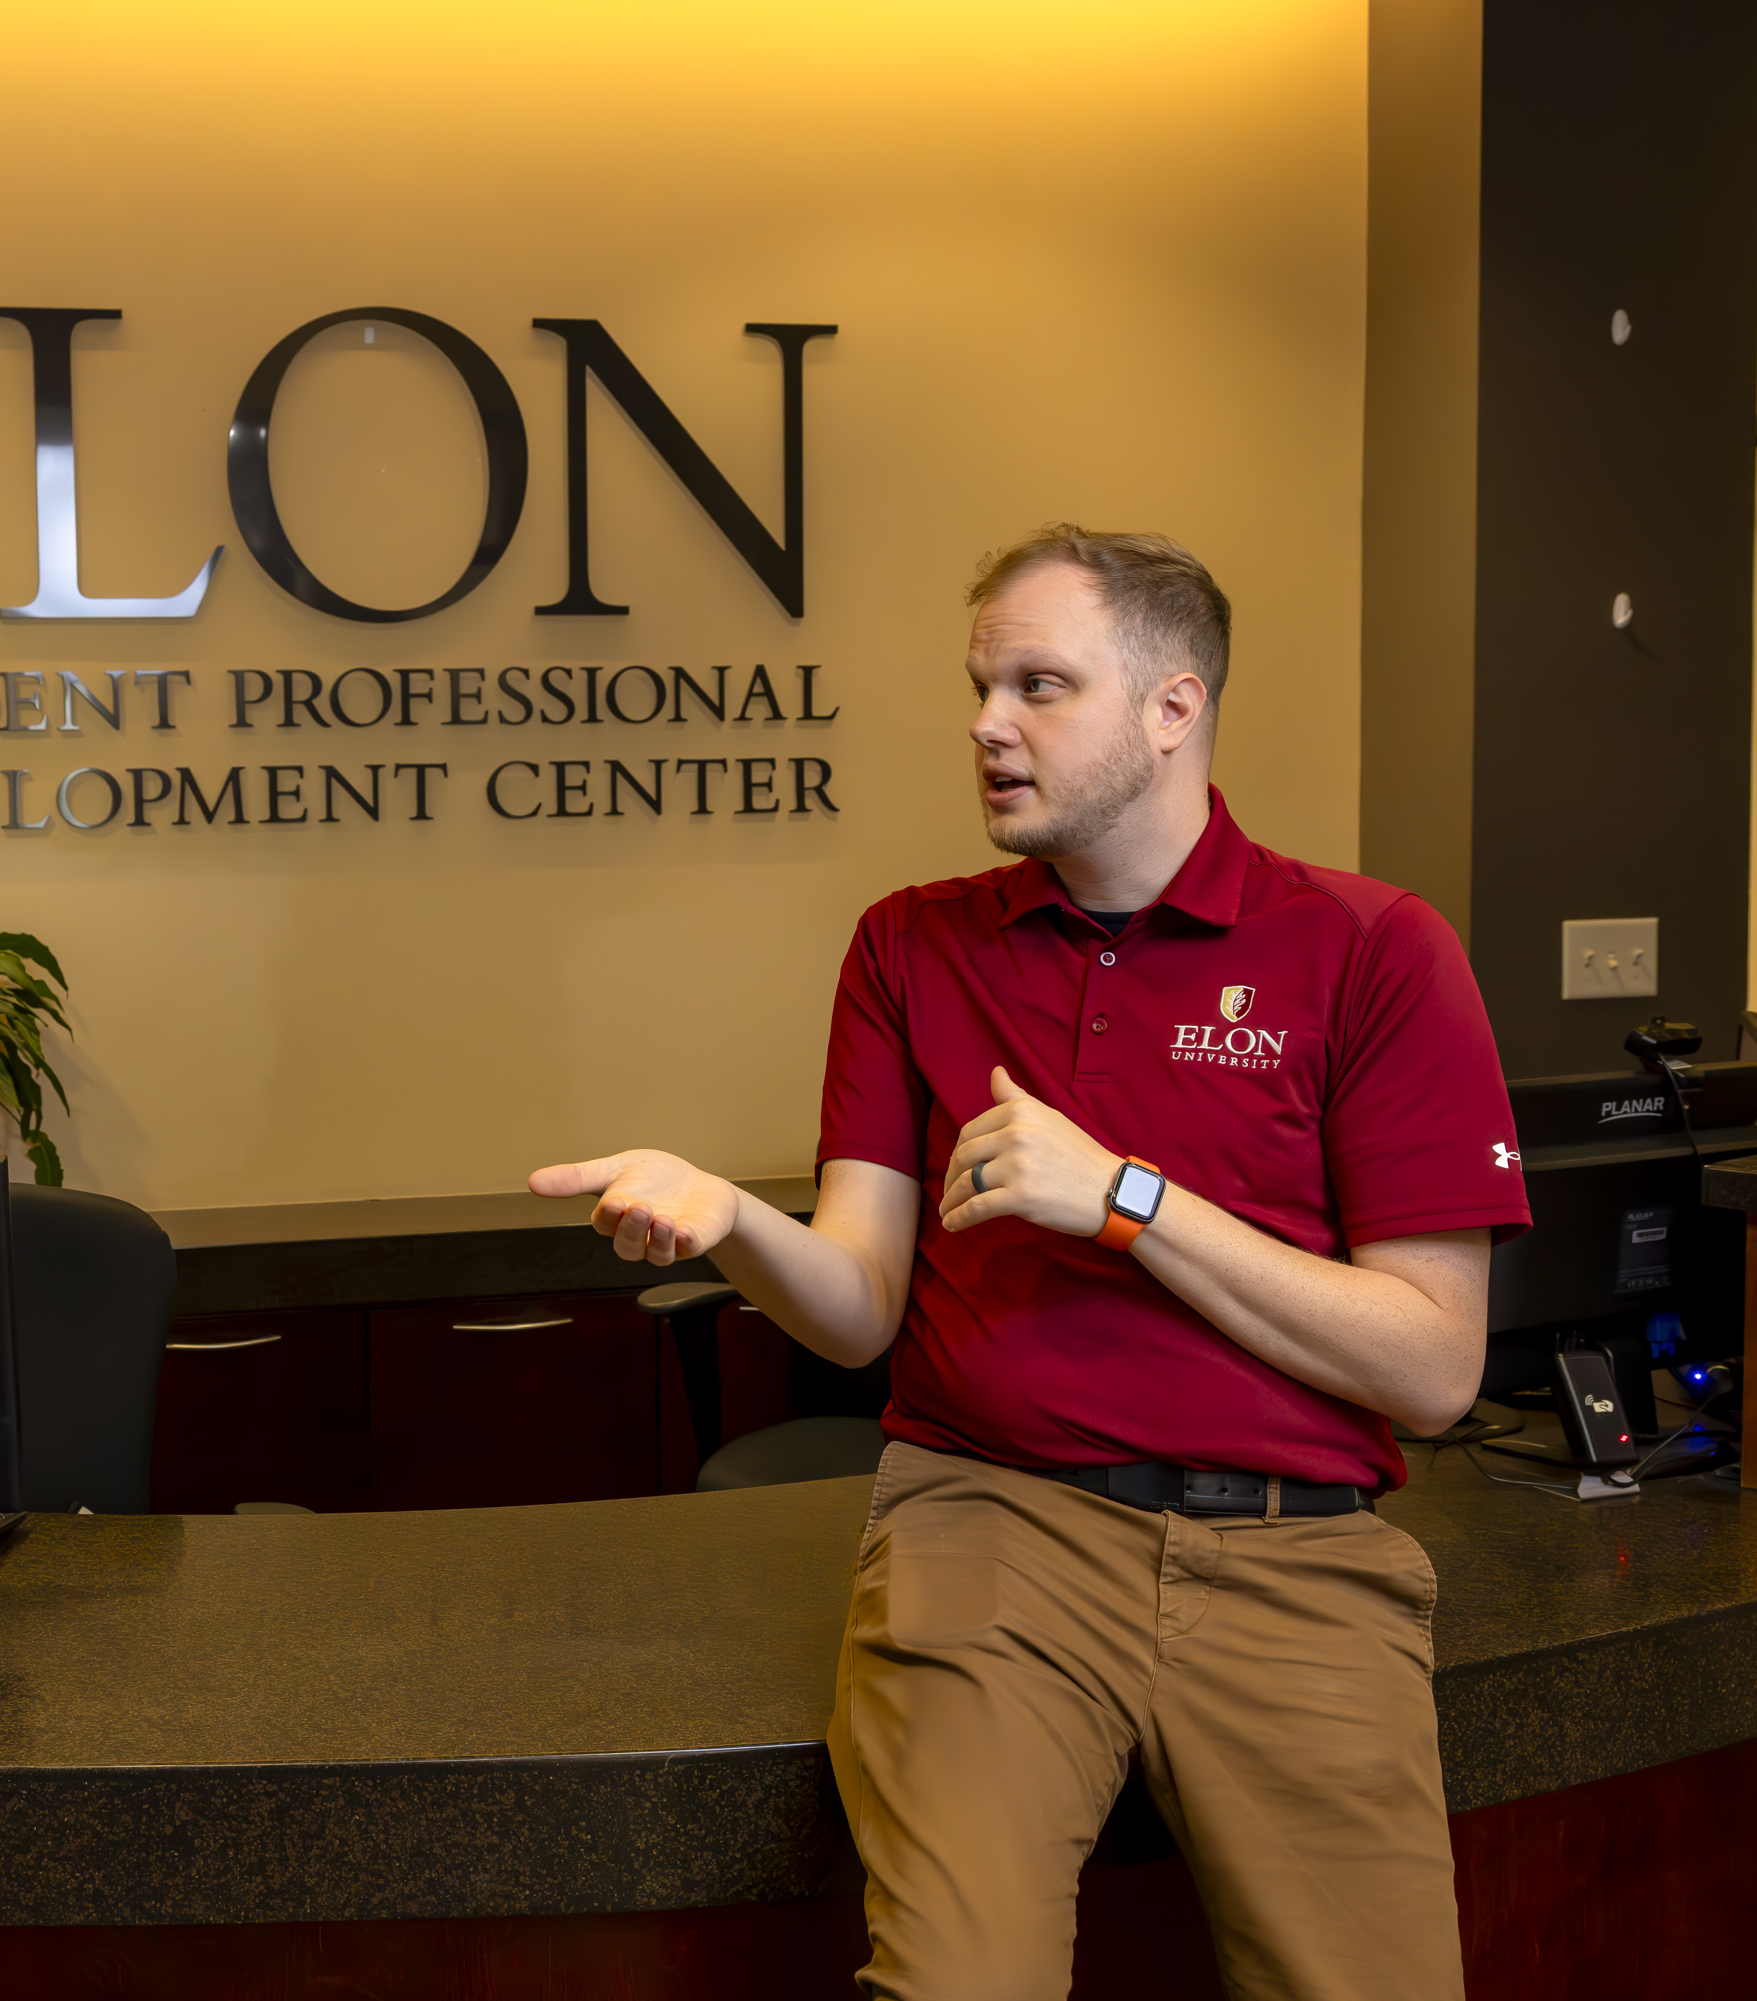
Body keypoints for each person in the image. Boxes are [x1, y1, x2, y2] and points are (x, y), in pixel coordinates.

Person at [533, 526, 1528, 2000]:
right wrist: (737, 1218)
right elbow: (862, 1310)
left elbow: (1438, 1366)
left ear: (1173, 706)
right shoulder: (910, 946)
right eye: (982, 685)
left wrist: (1126, 1196)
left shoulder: (1373, 949)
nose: (987, 724)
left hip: (1294, 1550)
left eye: (1040, 685)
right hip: (995, 1522)